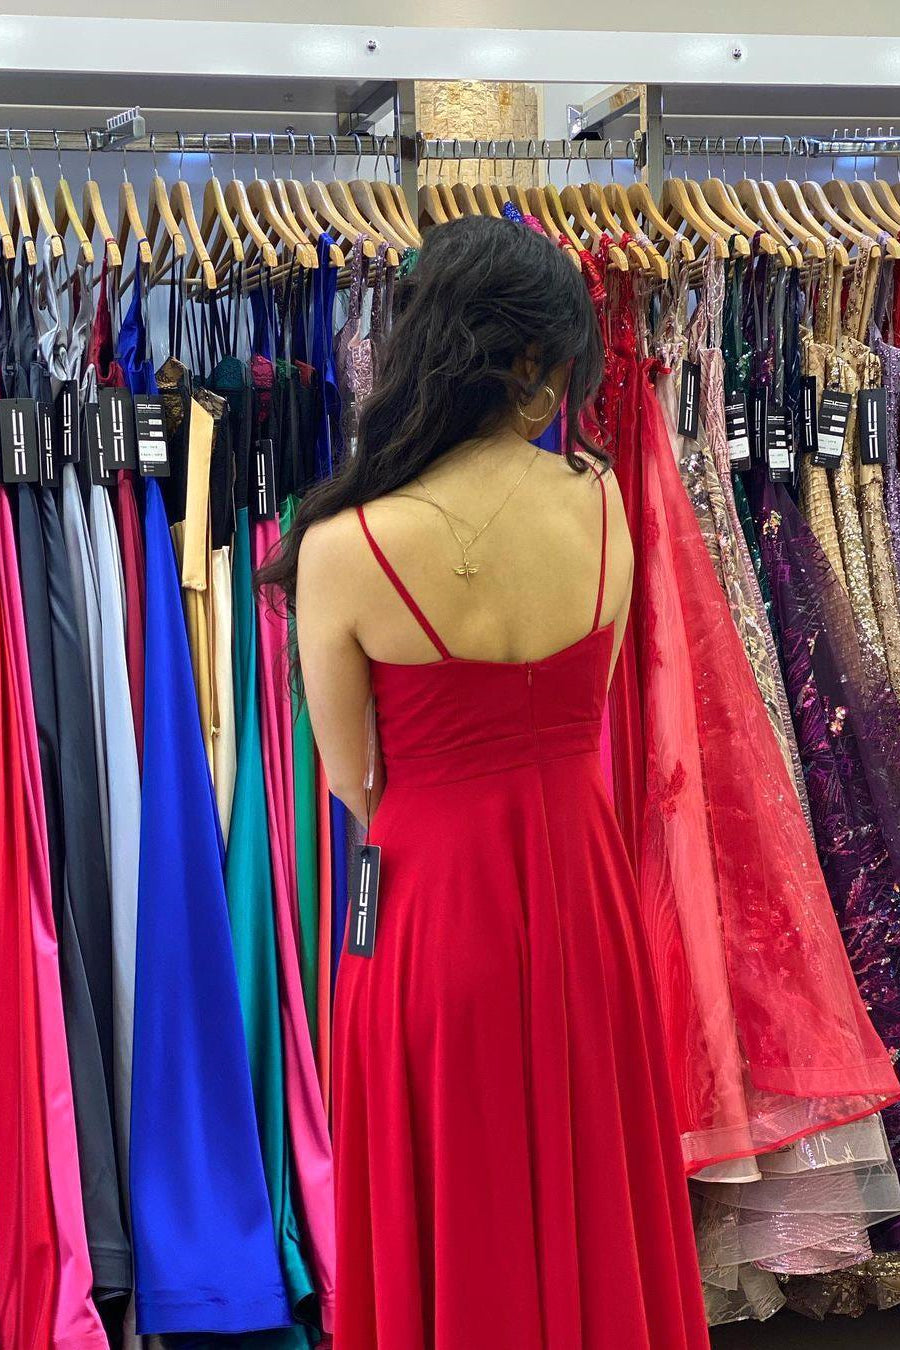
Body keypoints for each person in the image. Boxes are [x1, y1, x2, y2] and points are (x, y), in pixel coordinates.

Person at [258, 216, 710, 1349]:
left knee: (454, 1188)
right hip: (582, 894)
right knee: (582, 1160)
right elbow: (590, 701)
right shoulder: (601, 503)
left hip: (429, 909)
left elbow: (350, 775)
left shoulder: (346, 544)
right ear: (535, 360)